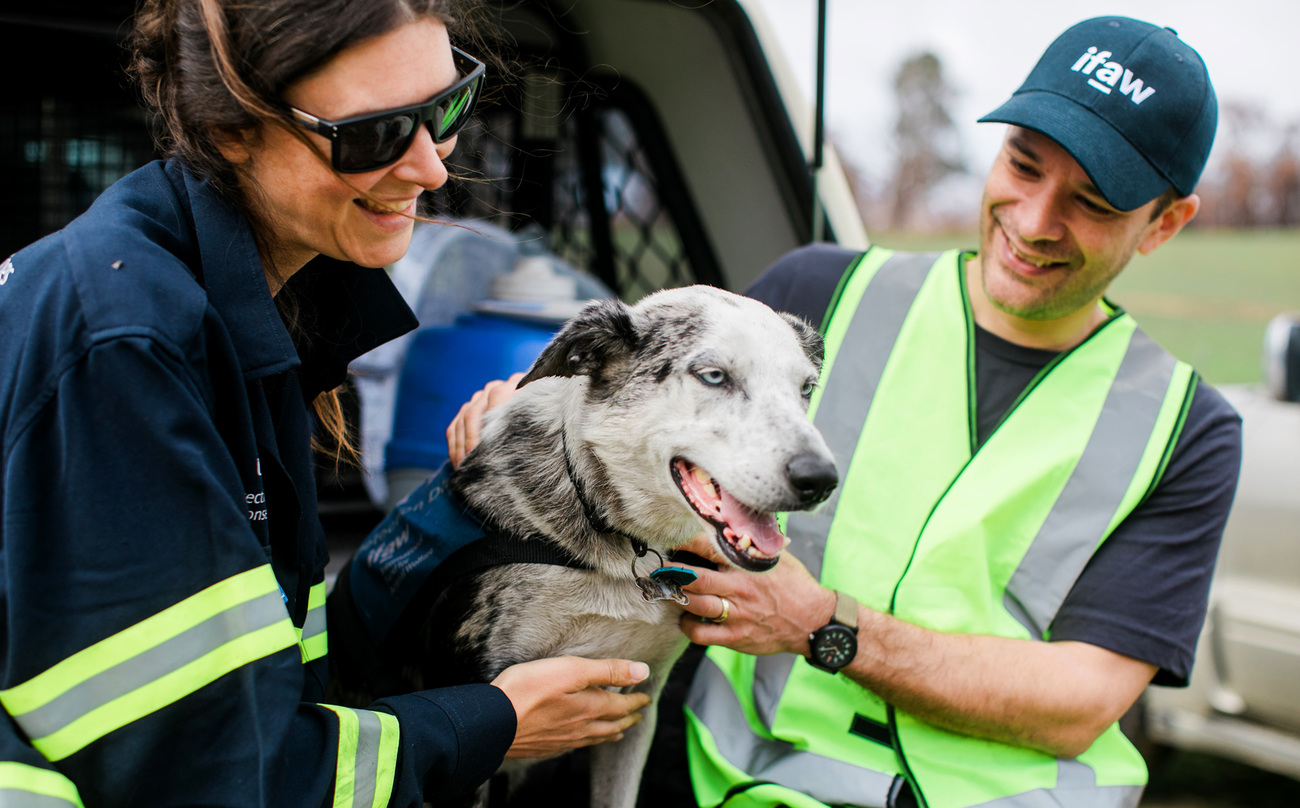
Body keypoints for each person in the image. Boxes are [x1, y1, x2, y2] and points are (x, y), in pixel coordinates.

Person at [0, 1, 650, 806]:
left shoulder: (253, 307)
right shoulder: (127, 347)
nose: (433, 168)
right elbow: (219, 775)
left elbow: (280, 671)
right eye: (374, 136)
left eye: (446, 109)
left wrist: (470, 497)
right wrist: (490, 723)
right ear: (232, 128)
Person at [667, 16, 1243, 808]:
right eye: (1023, 164)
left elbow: (1082, 699)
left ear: (1166, 223)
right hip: (748, 784)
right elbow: (642, 416)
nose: (1035, 221)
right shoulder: (816, 296)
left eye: (1094, 202)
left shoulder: (1188, 430)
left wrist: (820, 627)